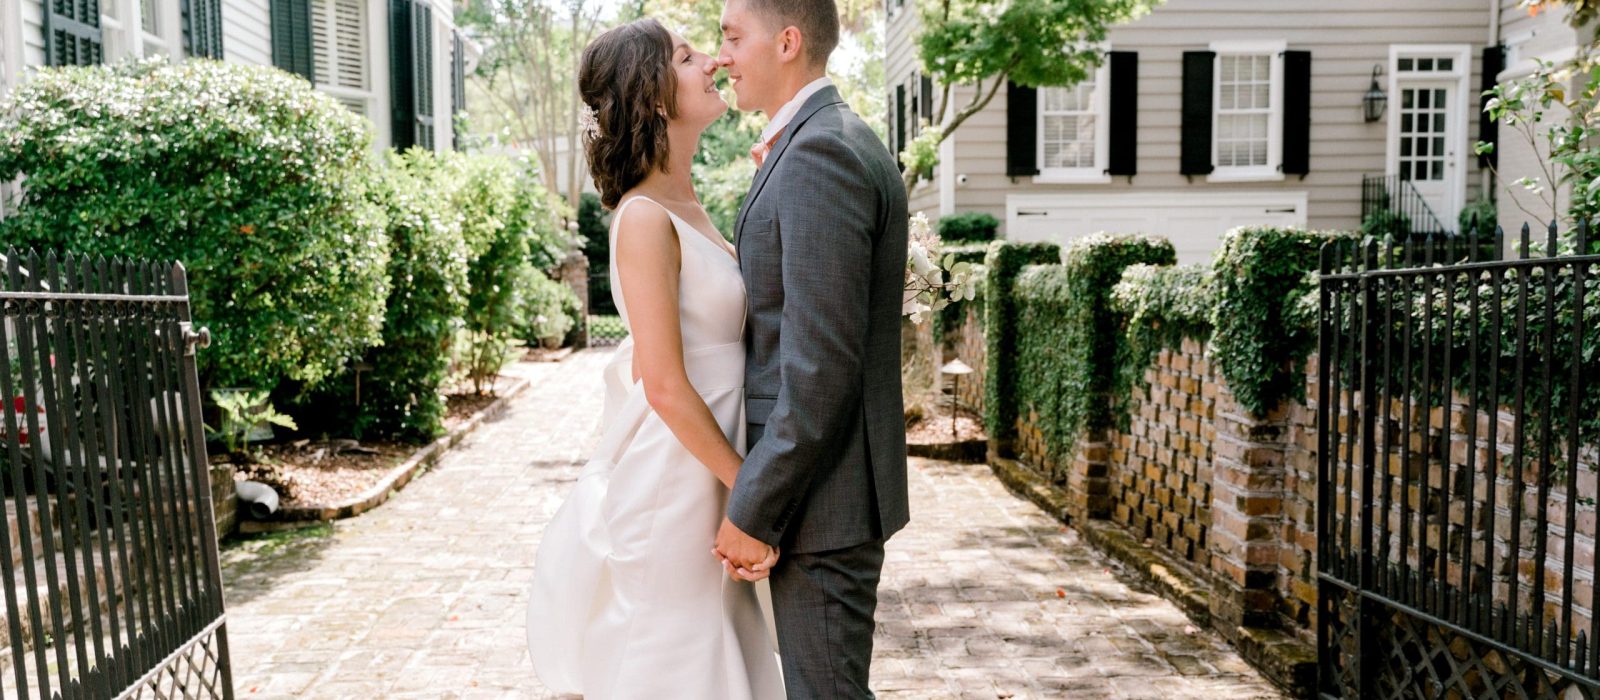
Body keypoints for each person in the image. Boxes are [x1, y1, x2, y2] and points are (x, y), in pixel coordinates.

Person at [524, 18, 785, 699]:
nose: (713, 63)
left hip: (711, 464)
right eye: (688, 55)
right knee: (676, 655)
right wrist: (750, 496)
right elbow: (664, 383)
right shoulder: (644, 217)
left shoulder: (689, 204)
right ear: (655, 93)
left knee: (719, 646)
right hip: (677, 480)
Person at [710, 0, 911, 697]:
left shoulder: (821, 151)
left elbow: (819, 366)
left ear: (787, 41)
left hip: (823, 501)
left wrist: (752, 504)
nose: (722, 56)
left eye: (734, 37)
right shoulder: (820, 140)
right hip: (826, 493)